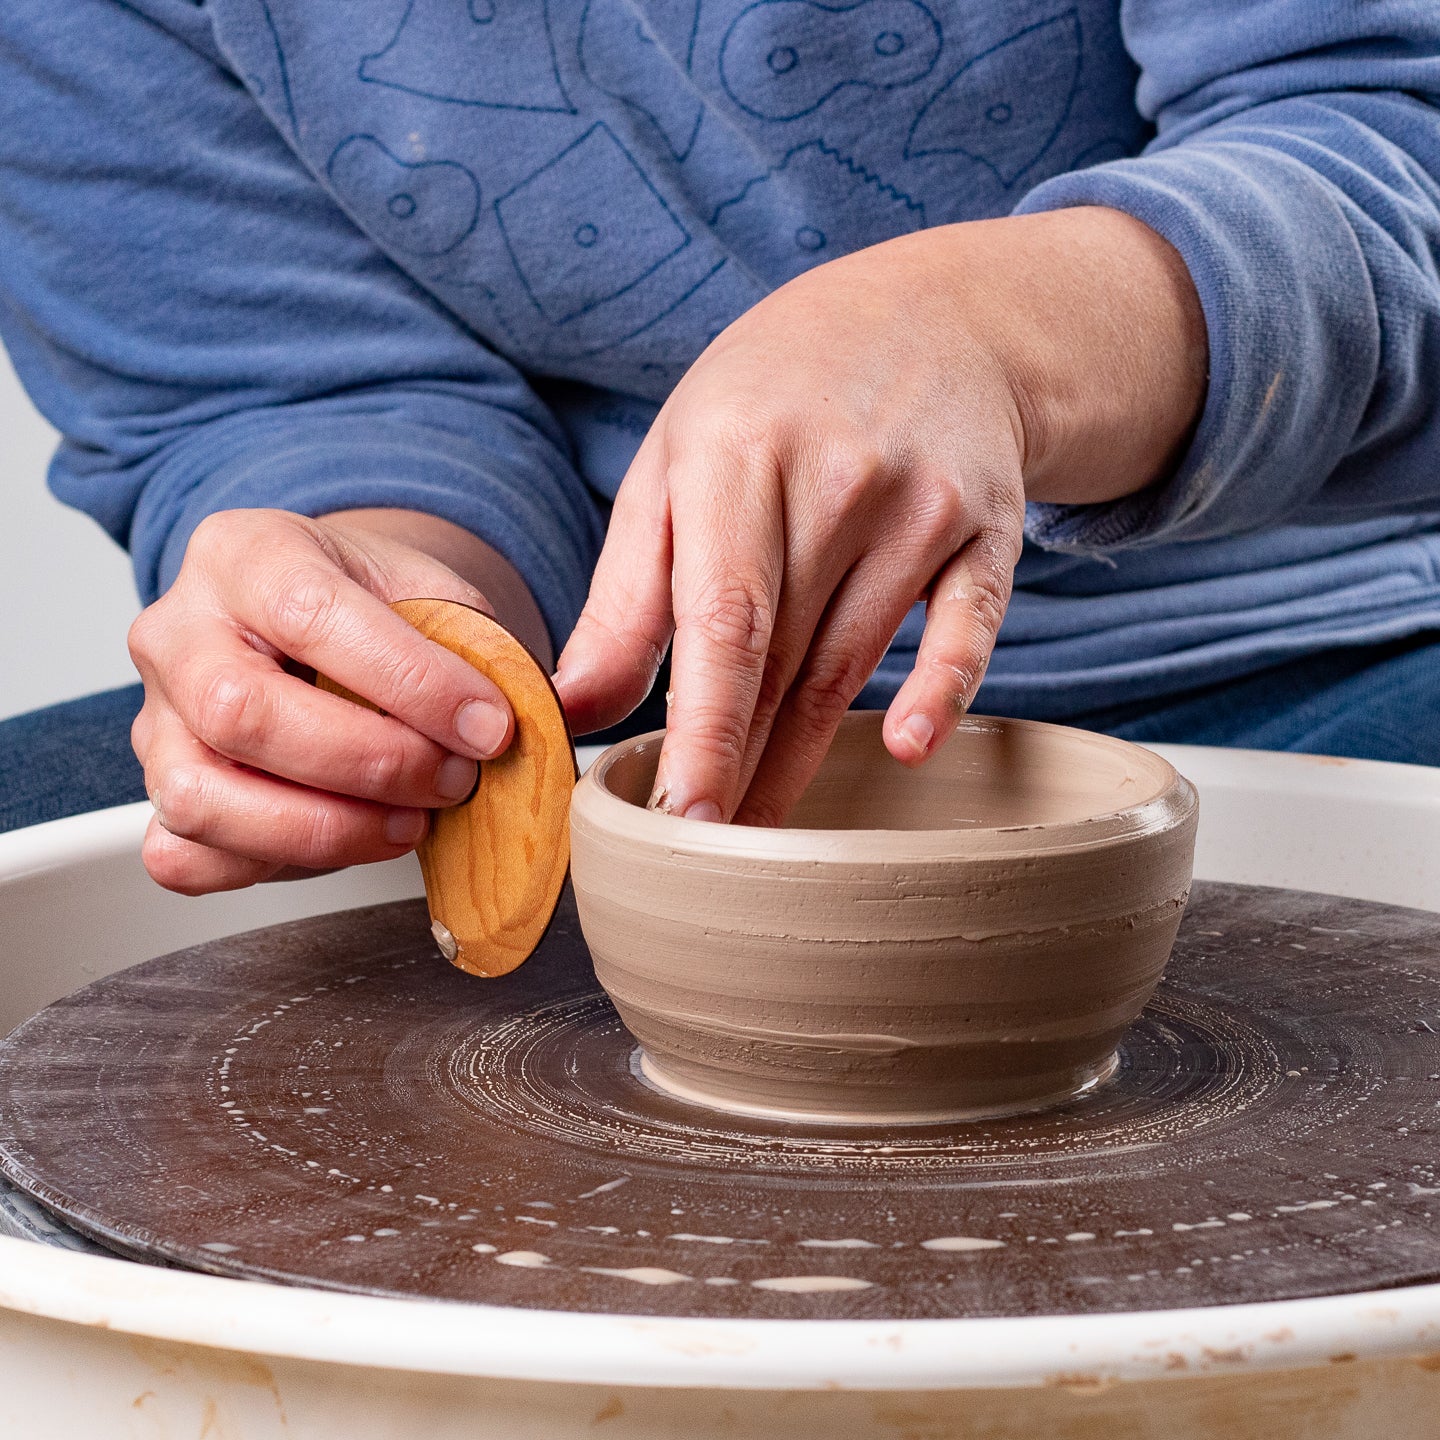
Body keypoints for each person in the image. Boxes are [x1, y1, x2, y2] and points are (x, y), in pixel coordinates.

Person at [1, 2, 1437, 893]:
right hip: (609, 720)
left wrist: (989, 334)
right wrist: (394, 624)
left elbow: (1393, 138)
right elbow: (301, 383)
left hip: (1332, 635)